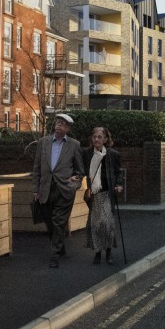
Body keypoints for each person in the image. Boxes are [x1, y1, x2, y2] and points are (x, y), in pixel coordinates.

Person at [31, 112, 85, 268]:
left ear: (68, 128)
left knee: (59, 222)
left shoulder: (74, 145)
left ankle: (54, 255)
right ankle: (60, 247)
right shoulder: (43, 142)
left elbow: (80, 170)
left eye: (63, 123)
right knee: (50, 223)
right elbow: (37, 168)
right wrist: (35, 189)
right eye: (57, 122)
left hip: (65, 190)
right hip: (46, 189)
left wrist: (76, 180)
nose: (59, 125)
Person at [82, 125, 123, 264]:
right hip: (94, 194)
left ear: (105, 139)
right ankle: (98, 253)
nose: (96, 139)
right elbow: (81, 170)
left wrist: (119, 184)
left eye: (99, 137)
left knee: (107, 225)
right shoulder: (87, 154)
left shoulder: (112, 154)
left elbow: (118, 172)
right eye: (94, 137)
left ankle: (109, 253)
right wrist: (76, 176)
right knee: (96, 225)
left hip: (107, 193)